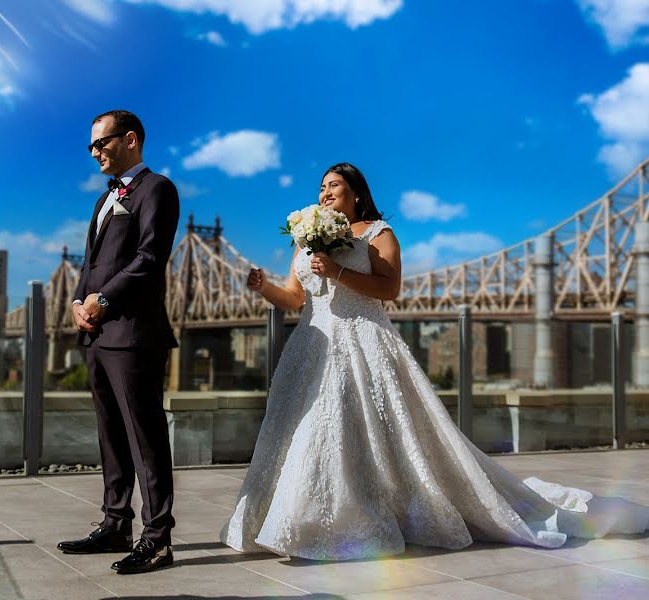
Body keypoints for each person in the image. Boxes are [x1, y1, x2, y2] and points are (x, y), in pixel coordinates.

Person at [220, 162, 649, 560]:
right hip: (312, 348)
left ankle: (341, 524)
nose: (326, 191)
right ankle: (291, 521)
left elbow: (390, 290)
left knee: (337, 429)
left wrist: (338, 273)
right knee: (302, 432)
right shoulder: (304, 237)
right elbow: (295, 298)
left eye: (335, 185)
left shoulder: (378, 233)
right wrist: (263, 288)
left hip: (362, 341)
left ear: (356, 194)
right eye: (322, 186)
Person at [57, 110, 179, 574]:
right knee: (110, 433)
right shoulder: (104, 200)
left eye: (101, 143)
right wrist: (75, 301)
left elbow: (150, 257)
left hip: (133, 333)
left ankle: (158, 537)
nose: (95, 152)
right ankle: (115, 524)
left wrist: (102, 300)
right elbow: (90, 263)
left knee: (144, 436)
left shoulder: (158, 189)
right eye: (90, 146)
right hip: (98, 333)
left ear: (130, 139)